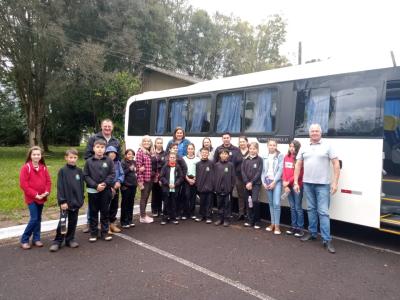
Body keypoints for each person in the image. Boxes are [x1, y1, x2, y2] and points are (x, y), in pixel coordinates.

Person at [294, 123, 340, 254]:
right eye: (312, 131)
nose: (314, 133)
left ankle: (327, 239)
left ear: (321, 133)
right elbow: (298, 164)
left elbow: (336, 163)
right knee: (311, 209)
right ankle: (312, 233)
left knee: (323, 212)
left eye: (316, 131)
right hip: (307, 183)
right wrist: (296, 182)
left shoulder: (327, 146)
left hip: (323, 185)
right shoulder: (304, 146)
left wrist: (335, 182)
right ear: (309, 133)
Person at [83, 118, 121, 233]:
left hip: (110, 176)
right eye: (105, 126)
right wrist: (97, 167)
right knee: (93, 202)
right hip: (96, 177)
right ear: (101, 126)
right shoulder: (94, 138)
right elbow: (87, 156)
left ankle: (110, 224)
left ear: (112, 127)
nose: (107, 128)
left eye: (109, 126)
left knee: (111, 202)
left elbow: (118, 159)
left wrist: (116, 179)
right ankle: (91, 224)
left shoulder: (116, 141)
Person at [49, 149, 84, 252]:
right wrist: (62, 201)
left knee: (73, 221)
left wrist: (81, 199)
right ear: (66, 158)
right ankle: (58, 241)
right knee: (63, 222)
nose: (72, 160)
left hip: (76, 202)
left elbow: (81, 186)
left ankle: (70, 239)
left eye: (74, 157)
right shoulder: (62, 171)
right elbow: (60, 187)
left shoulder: (79, 171)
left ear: (77, 158)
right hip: (66, 203)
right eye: (70, 157)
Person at [19, 146, 51, 250]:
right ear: (30, 156)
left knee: (38, 218)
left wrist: (46, 192)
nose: (36, 156)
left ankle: (36, 239)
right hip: (32, 198)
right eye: (34, 154)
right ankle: (24, 239)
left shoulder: (44, 167)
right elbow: (24, 185)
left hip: (42, 197)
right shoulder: (26, 168)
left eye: (38, 154)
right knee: (34, 218)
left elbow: (48, 182)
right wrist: (35, 194)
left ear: (41, 156)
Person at [83, 139, 115, 242]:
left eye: (102, 147)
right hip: (93, 191)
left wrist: (105, 184)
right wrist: (95, 185)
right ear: (94, 148)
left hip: (105, 191)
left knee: (105, 212)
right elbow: (86, 176)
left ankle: (105, 233)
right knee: (93, 212)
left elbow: (112, 174)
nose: (100, 149)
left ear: (105, 149)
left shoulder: (109, 160)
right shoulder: (89, 161)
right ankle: (93, 233)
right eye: (98, 147)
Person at [282, 140, 304, 237]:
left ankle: (300, 228)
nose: (291, 148)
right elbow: (284, 170)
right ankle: (293, 226)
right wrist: (285, 184)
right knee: (292, 207)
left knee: (298, 207)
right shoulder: (286, 157)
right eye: (290, 146)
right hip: (288, 186)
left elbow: (299, 174)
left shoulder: (299, 158)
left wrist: (289, 182)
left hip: (297, 186)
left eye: (293, 146)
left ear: (297, 148)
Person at [262, 139, 284, 235]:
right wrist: (263, 182)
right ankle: (272, 224)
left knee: (276, 203)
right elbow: (263, 171)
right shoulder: (264, 156)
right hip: (267, 182)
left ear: (276, 146)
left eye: (274, 145)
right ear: (267, 146)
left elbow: (280, 170)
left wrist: (274, 182)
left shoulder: (280, 156)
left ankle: (277, 226)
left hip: (277, 182)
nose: (272, 147)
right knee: (270, 203)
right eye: (270, 145)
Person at [241, 142, 263, 229]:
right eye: (250, 149)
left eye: (254, 149)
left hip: (256, 184)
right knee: (248, 202)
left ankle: (257, 221)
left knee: (254, 201)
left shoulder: (259, 160)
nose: (252, 150)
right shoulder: (245, 159)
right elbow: (242, 171)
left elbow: (259, 172)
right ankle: (250, 220)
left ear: (257, 150)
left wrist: (251, 182)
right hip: (246, 185)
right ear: (248, 149)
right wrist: (247, 182)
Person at [159, 152, 184, 225]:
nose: (172, 159)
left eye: (174, 157)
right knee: (166, 203)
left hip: (175, 188)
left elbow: (181, 177)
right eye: (171, 157)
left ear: (175, 159)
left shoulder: (178, 167)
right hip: (166, 188)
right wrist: (167, 184)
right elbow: (161, 176)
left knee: (174, 203)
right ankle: (165, 218)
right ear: (168, 158)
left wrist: (175, 184)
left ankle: (173, 217)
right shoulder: (165, 166)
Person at [214, 148, 236, 227]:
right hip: (218, 189)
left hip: (227, 189)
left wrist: (231, 187)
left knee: (227, 204)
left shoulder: (230, 165)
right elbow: (214, 177)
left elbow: (233, 178)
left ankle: (226, 219)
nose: (224, 155)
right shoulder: (216, 165)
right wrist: (215, 187)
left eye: (225, 154)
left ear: (228, 155)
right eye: (222, 154)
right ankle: (220, 219)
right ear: (219, 155)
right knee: (219, 204)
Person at [106, 146, 124, 233]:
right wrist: (110, 186)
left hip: (116, 188)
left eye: (114, 153)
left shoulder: (118, 163)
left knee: (114, 206)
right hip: (107, 188)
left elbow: (121, 174)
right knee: (107, 207)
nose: (112, 154)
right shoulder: (104, 163)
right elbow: (103, 176)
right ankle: (106, 226)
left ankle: (112, 224)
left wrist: (119, 181)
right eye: (110, 152)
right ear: (107, 154)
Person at [167, 142, 188, 219]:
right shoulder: (166, 157)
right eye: (173, 148)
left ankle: (176, 213)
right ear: (170, 149)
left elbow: (185, 168)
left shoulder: (180, 158)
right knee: (168, 198)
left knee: (176, 198)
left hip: (177, 183)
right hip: (167, 183)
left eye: (176, 148)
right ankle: (167, 214)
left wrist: (181, 178)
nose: (175, 149)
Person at [136, 135, 154, 223]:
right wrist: (140, 182)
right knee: (143, 198)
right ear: (142, 143)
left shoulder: (149, 152)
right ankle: (142, 217)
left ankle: (144, 215)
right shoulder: (140, 152)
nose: (146, 143)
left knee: (146, 197)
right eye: (145, 141)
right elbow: (138, 168)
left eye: (148, 141)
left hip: (149, 178)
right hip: (144, 180)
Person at [195, 148, 214, 223]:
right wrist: (198, 185)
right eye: (203, 153)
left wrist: (213, 186)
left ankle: (208, 217)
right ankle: (201, 216)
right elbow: (197, 175)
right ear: (200, 153)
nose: (204, 154)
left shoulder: (212, 163)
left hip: (210, 187)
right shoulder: (198, 164)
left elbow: (214, 175)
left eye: (206, 153)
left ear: (208, 154)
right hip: (201, 187)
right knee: (202, 202)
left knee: (209, 203)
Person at [120, 149, 137, 228]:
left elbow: (135, 172)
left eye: (132, 154)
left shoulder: (134, 162)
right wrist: (129, 169)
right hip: (126, 186)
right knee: (125, 204)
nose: (131, 156)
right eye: (129, 154)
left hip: (133, 185)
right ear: (125, 155)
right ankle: (124, 221)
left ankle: (130, 220)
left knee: (131, 203)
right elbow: (122, 173)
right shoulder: (123, 162)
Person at [183, 143, 200, 219]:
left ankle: (192, 213)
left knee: (193, 197)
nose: (190, 150)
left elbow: (199, 170)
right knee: (186, 195)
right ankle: (186, 213)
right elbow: (183, 171)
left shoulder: (197, 159)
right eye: (189, 148)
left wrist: (194, 179)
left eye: (191, 148)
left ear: (194, 149)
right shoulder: (184, 158)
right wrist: (188, 179)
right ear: (187, 150)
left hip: (195, 179)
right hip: (186, 179)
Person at [235, 136, 249, 220]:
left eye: (243, 141)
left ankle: (248, 213)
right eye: (240, 142)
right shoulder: (237, 152)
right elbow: (233, 163)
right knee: (240, 196)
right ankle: (241, 213)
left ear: (247, 142)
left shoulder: (250, 151)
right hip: (238, 177)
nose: (242, 143)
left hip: (248, 178)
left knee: (248, 196)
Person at [151, 137, 165, 217]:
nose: (159, 144)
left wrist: (160, 177)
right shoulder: (152, 153)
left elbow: (165, 166)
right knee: (154, 194)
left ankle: (160, 210)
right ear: (155, 143)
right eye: (158, 142)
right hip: (153, 177)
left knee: (161, 193)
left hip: (161, 176)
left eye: (161, 143)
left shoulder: (165, 153)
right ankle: (154, 210)